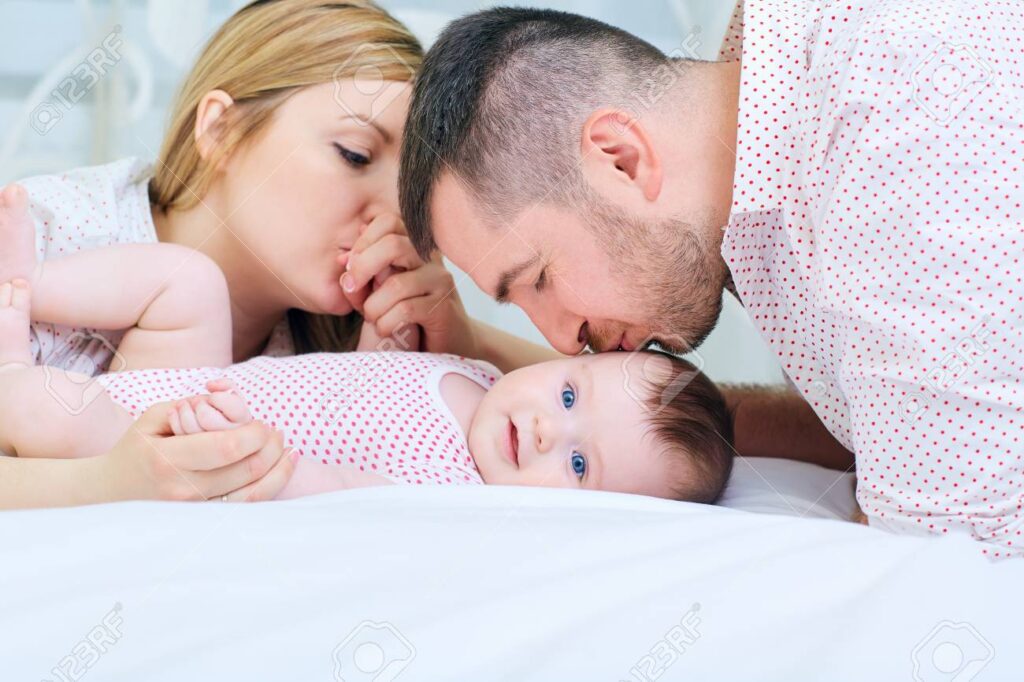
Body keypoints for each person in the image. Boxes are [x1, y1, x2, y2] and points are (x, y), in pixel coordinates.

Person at [396, 2, 1024, 556]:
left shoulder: (897, 167)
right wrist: (480, 352)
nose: (563, 340)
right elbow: (876, 428)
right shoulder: (757, 96)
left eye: (537, 279)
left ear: (621, 158)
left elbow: (940, 577)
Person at [0, 0, 549, 509]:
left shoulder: (336, 358)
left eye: (412, 196)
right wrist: (103, 482)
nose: (391, 217)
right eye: (355, 155)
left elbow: (623, 404)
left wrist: (467, 343)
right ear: (221, 130)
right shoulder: (45, 237)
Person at [0, 228, 733, 502]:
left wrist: (245, 439)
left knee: (47, 407)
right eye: (570, 396)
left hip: (177, 438)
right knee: (191, 280)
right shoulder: (480, 377)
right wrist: (384, 320)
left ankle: (9, 365)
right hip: (189, 376)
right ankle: (24, 286)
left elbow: (332, 489)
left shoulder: (456, 496)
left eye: (579, 469)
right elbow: (365, 386)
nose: (548, 431)